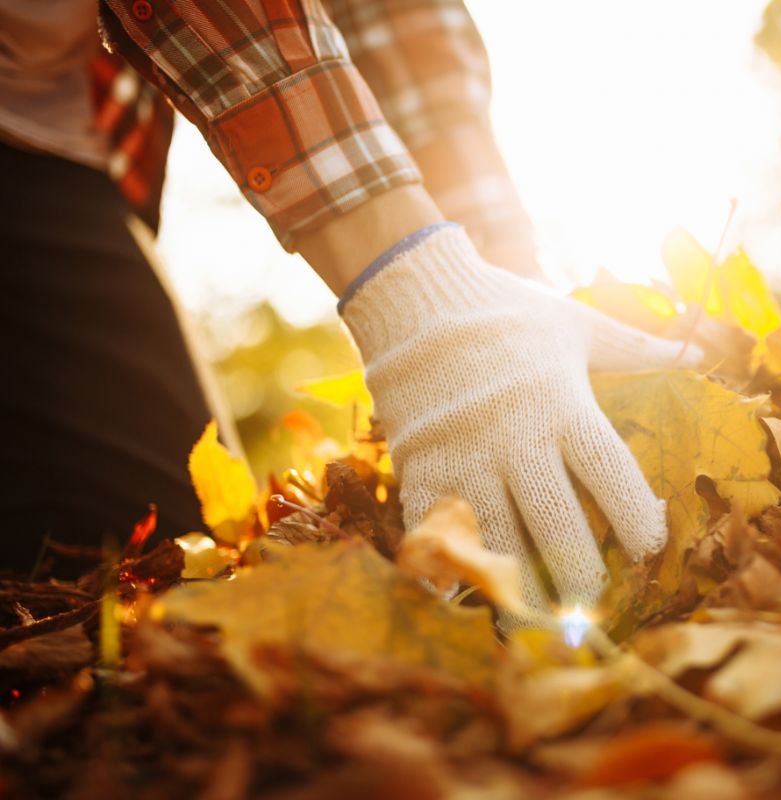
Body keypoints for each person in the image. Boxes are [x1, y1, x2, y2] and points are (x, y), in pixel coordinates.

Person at [1, 0, 700, 613]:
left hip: (45, 138)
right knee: (125, 584)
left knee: (149, 564)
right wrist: (409, 284)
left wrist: (495, 279)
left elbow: (387, 19)